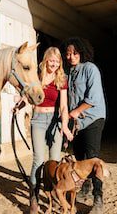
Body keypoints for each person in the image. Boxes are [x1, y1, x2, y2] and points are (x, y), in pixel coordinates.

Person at [61, 37, 106, 214]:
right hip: (77, 122)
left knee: (93, 159)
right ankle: (85, 189)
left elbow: (93, 98)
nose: (71, 56)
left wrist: (76, 111)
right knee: (79, 160)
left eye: (75, 53)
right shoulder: (68, 73)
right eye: (68, 53)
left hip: (93, 118)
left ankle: (98, 198)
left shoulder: (90, 69)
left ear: (82, 53)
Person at [29, 47, 73, 213]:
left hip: (55, 121)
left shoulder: (61, 79)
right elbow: (30, 95)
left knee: (54, 162)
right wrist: (19, 104)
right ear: (45, 60)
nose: (54, 64)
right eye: (51, 60)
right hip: (38, 120)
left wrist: (66, 126)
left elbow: (63, 106)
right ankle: (33, 196)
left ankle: (53, 196)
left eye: (57, 61)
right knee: (39, 160)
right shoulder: (37, 77)